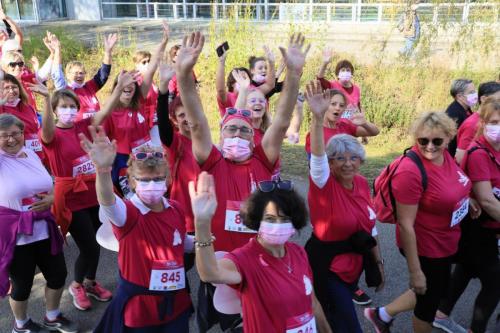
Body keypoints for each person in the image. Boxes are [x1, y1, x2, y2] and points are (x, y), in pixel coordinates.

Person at [175, 31, 309, 331]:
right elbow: (196, 122)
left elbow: (284, 119)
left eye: (244, 131)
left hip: (262, 263)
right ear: (220, 135)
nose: (236, 135)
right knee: (225, 323)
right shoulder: (212, 160)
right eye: (230, 130)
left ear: (254, 136)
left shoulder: (264, 157)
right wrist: (184, 74)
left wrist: (295, 74)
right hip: (224, 266)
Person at [364, 112, 480, 333]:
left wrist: (466, 199)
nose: (429, 146)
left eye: (437, 141)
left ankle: (382, 315)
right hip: (426, 248)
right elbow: (405, 225)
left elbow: (452, 184)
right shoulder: (410, 171)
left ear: (448, 138)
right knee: (427, 306)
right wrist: (415, 271)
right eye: (422, 140)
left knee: (433, 289)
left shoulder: (446, 157)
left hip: (445, 241)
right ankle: (384, 314)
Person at [80, 126, 192, 333]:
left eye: (158, 178)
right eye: (144, 179)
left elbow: (180, 241)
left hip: (176, 301)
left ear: (167, 179)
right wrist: (103, 171)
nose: (152, 184)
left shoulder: (175, 208)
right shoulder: (128, 214)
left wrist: (205, 240)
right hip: (140, 308)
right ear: (132, 181)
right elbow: (107, 201)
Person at [191, 171, 332, 333]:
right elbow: (210, 273)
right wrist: (202, 224)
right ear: (257, 220)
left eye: (285, 219)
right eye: (270, 219)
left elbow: (312, 302)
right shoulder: (244, 259)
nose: (278, 225)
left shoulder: (299, 253)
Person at [40, 73, 133, 310]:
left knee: (99, 240)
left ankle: (91, 282)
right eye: (64, 107)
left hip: (94, 193)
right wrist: (46, 101)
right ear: (55, 109)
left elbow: (103, 114)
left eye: (73, 106)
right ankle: (77, 285)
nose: (69, 110)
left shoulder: (82, 125)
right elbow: (47, 132)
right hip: (71, 198)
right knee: (89, 246)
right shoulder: (52, 135)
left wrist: (118, 89)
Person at [304, 81, 384, 332]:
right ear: (330, 162)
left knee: (335, 321)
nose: (348, 164)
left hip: (353, 267)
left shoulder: (361, 183)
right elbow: (317, 158)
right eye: (339, 159)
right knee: (348, 326)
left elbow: (370, 226)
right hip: (328, 269)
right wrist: (317, 120)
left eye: (354, 158)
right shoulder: (323, 184)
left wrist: (378, 265)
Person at [0, 113, 78, 333]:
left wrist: (53, 198)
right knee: (22, 285)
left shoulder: (31, 154)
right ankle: (21, 324)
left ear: (23, 134)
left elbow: (49, 184)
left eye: (16, 133)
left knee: (58, 274)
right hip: (16, 235)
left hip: (44, 227)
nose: (11, 139)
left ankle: (52, 317)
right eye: (4, 136)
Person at [434, 96, 500, 333]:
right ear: (482, 123)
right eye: (493, 121)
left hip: (486, 227)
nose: (497, 126)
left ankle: (440, 314)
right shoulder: (479, 152)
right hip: (476, 226)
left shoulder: (497, 149)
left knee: (466, 270)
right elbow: (486, 200)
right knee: (494, 283)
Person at [103, 21, 169, 198]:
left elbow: (151, 69)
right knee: (133, 199)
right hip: (124, 163)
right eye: (123, 83)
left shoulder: (139, 101)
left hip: (146, 155)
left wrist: (163, 43)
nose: (128, 87)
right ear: (117, 87)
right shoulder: (109, 112)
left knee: (157, 195)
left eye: (132, 84)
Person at [157, 63, 199, 239]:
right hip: (185, 216)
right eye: (182, 115)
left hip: (207, 213)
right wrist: (163, 88)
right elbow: (162, 121)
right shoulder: (174, 142)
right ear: (174, 119)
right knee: (182, 261)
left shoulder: (204, 142)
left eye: (190, 113)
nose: (187, 118)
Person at [51, 32, 118, 121]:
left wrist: (108, 52)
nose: (79, 75)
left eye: (81, 73)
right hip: (76, 131)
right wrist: (58, 50)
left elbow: (103, 74)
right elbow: (57, 73)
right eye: (76, 73)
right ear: (67, 74)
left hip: (95, 130)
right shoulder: (64, 90)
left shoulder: (89, 86)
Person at [304, 88, 379, 156]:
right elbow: (315, 162)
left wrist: (364, 123)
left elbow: (375, 132)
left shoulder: (345, 126)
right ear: (324, 105)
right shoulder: (316, 133)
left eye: (341, 105)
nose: (337, 108)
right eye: (333, 104)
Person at [215, 44, 275, 116]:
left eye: (245, 79)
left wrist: (271, 63)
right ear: (232, 84)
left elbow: (270, 85)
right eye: (240, 78)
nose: (244, 82)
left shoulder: (253, 93)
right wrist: (221, 62)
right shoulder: (228, 97)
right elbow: (220, 90)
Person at [455, 81, 500, 163]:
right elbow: (460, 158)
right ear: (484, 99)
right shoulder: (472, 124)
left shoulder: (494, 120)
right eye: (498, 100)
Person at [0, 74, 43, 158]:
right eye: (6, 88)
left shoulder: (28, 107)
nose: (11, 91)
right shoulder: (1, 109)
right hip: (13, 159)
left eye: (14, 87)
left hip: (37, 156)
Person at [317, 51, 361, 117]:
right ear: (338, 74)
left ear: (351, 74)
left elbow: (358, 107)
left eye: (348, 70)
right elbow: (320, 79)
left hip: (352, 124)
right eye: (343, 70)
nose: (345, 72)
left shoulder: (356, 89)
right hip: (336, 123)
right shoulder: (332, 85)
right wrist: (325, 63)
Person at [445, 78, 477, 157]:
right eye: (471, 92)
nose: (475, 94)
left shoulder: (466, 108)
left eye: (475, 91)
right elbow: (451, 142)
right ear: (459, 96)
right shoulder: (453, 114)